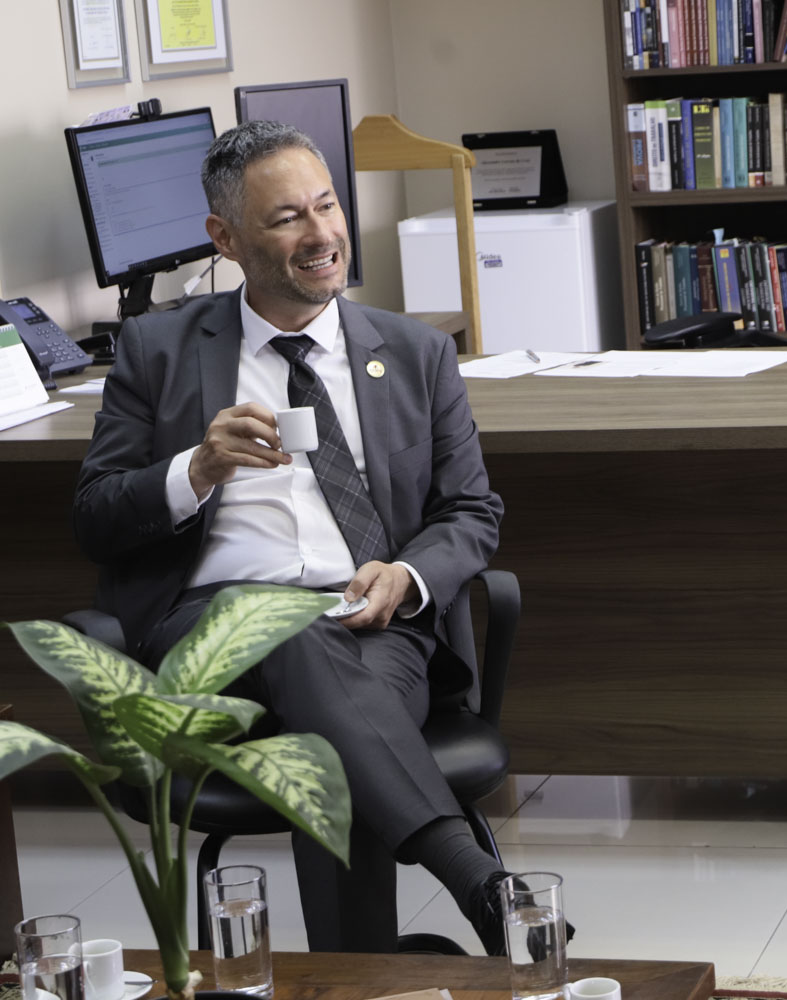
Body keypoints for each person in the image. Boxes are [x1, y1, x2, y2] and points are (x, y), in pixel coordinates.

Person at [73, 120, 520, 954]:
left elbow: (471, 513)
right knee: (277, 620)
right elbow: (95, 517)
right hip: (211, 635)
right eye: (287, 219)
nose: (322, 235)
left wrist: (408, 577)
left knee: (328, 726)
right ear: (226, 238)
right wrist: (195, 470)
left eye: (327, 206)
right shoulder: (158, 348)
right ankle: (474, 878)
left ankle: (360, 975)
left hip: (374, 625)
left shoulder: (417, 353)